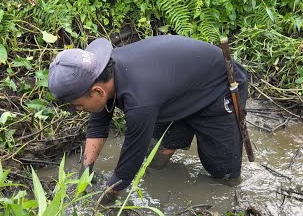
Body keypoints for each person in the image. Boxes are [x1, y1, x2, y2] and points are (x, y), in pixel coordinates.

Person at [48, 35, 248, 205]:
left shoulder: (139, 100)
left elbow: (128, 167)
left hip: (217, 87)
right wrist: (85, 171)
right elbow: (99, 123)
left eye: (79, 105)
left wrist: (102, 203)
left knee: (224, 174)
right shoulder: (101, 74)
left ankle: (233, 198)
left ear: (97, 91)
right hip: (173, 93)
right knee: (156, 157)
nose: (79, 110)